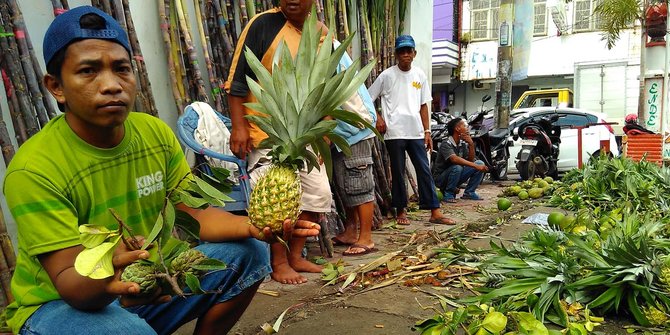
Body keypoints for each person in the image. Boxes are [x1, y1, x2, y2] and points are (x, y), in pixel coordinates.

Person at [2, 6, 320, 335]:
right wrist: (111, 266)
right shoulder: (35, 168)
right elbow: (70, 283)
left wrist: (255, 227)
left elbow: (197, 217)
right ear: (56, 86)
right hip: (60, 303)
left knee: (251, 254)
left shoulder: (154, 134)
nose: (111, 84)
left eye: (121, 69)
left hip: (145, 277)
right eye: (88, 71)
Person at [224, 0, 329, 284]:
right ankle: (278, 261)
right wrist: (239, 126)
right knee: (276, 202)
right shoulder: (263, 24)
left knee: (318, 195)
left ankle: (295, 255)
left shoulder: (320, 33)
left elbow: (324, 85)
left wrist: (324, 132)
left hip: (304, 132)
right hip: (266, 131)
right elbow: (237, 80)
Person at [368, 35, 455, 226]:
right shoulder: (386, 76)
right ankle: (401, 210)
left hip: (416, 132)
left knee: (424, 170)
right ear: (396, 54)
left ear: (414, 53)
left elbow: (424, 105)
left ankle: (435, 210)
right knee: (398, 172)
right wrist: (379, 118)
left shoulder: (420, 75)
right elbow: (368, 98)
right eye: (402, 51)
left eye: (409, 51)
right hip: (394, 132)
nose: (406, 54)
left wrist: (427, 132)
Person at [330, 43, 377, 256]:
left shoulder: (328, 47)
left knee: (359, 183)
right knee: (345, 185)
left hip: (354, 127)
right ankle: (350, 231)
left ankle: (366, 237)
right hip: (340, 132)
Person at [432, 117, 489, 202]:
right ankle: (448, 194)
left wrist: (471, 144)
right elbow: (454, 159)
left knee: (480, 163)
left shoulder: (462, 143)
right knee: (458, 167)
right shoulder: (446, 143)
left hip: (456, 175)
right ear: (457, 129)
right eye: (464, 126)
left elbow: (470, 160)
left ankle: (469, 192)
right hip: (441, 179)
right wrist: (476, 166)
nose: (467, 128)